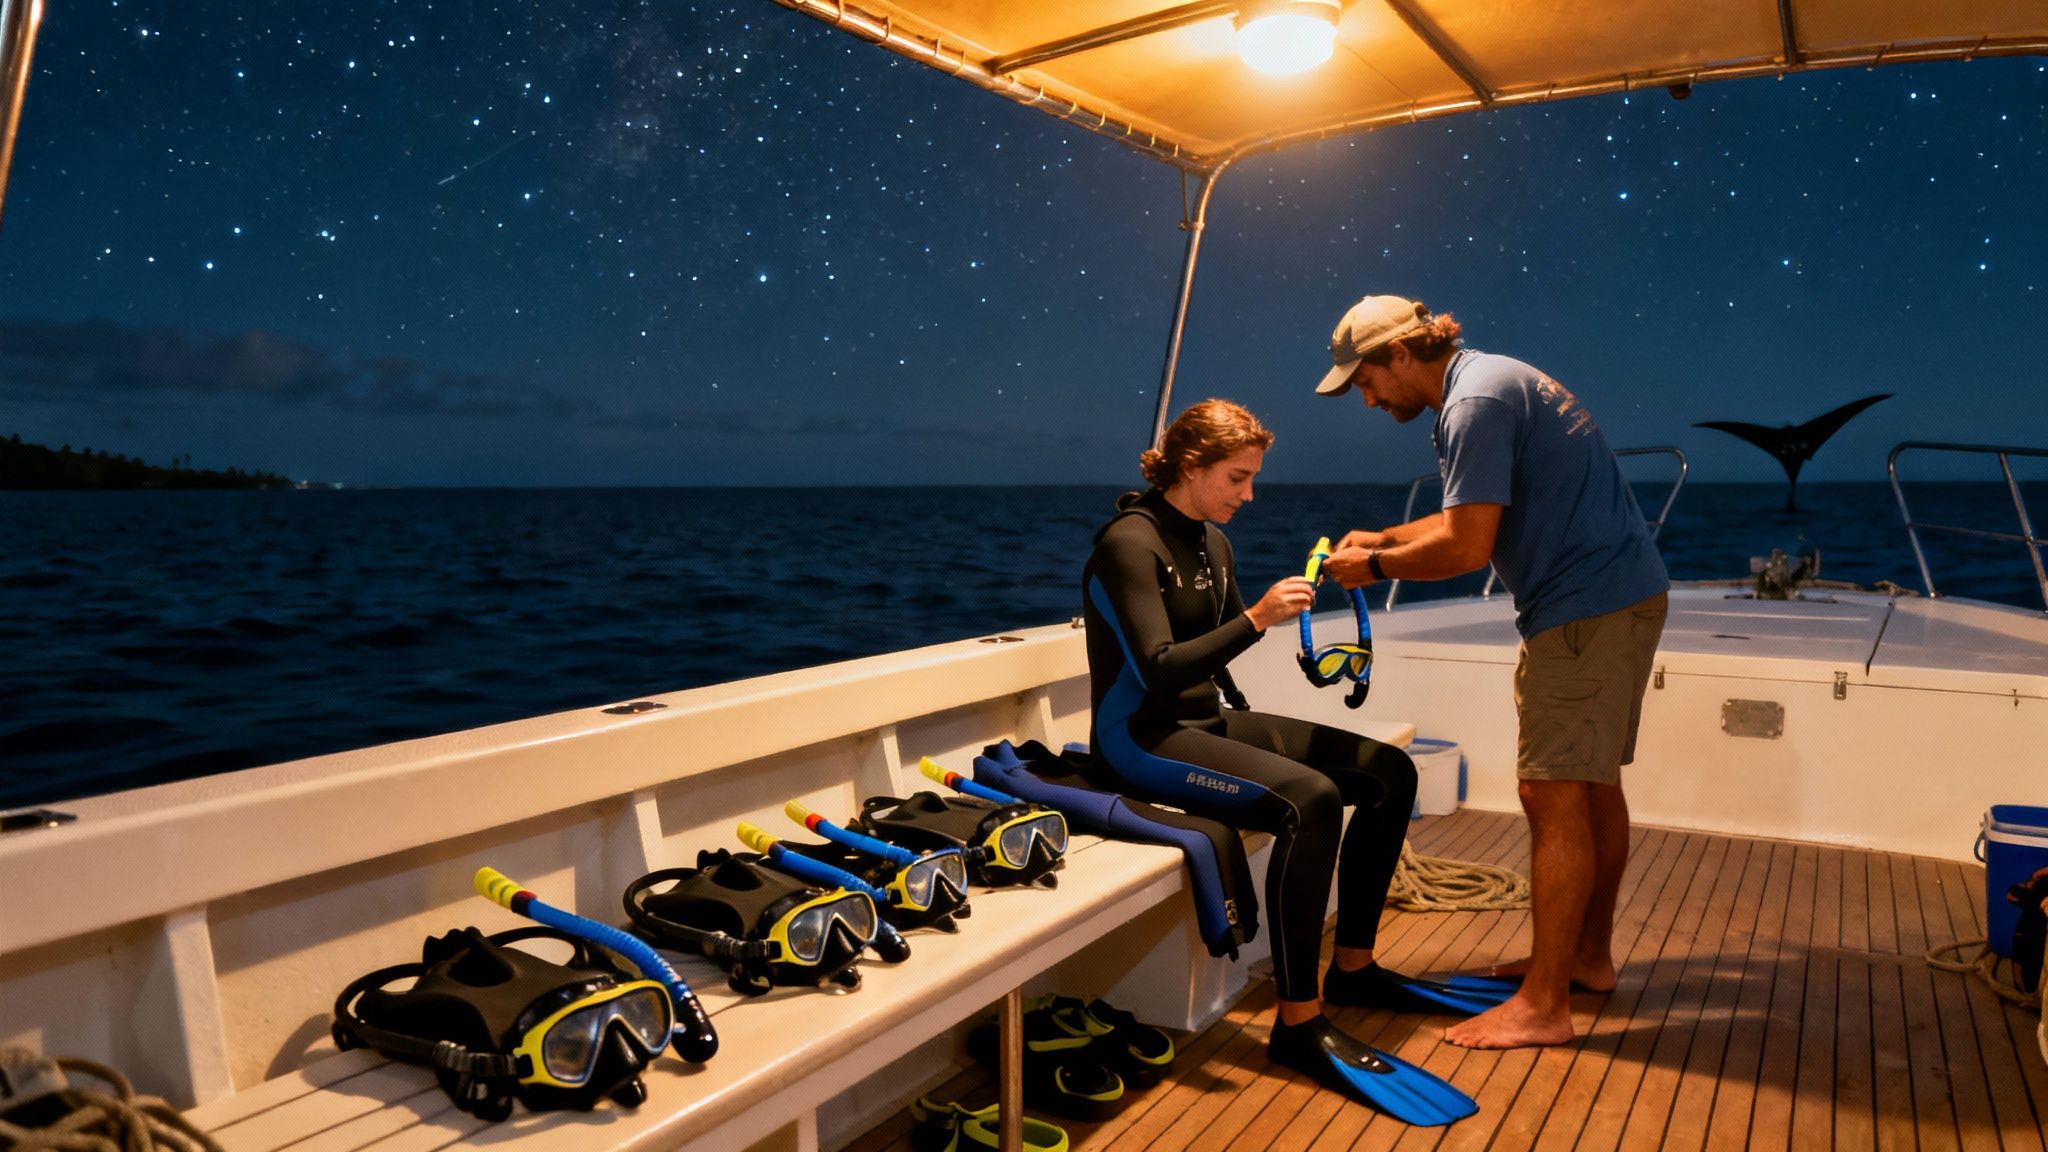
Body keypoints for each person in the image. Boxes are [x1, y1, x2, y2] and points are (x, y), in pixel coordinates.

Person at [1081, 398, 1497, 1114]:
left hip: (1204, 721)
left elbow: (1223, 650)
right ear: (1190, 467)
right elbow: (1157, 668)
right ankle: (1298, 1022)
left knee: (1389, 773)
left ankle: (1357, 970)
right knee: (1311, 800)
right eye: (1237, 479)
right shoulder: (1129, 543)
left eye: (1253, 479)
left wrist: (1300, 630)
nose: (1249, 495)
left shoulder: (1213, 541)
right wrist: (1258, 618)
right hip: (1138, 738)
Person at [1311, 295, 1670, 1050]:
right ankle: (1585, 959)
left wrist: (1371, 565)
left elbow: (1467, 549)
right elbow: (1464, 516)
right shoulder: (1492, 378)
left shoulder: (1470, 405)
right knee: (1593, 780)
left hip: (1582, 607)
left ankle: (1545, 1004)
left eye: (1366, 380)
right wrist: (1387, 533)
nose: (1367, 399)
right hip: (1622, 591)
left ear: (1403, 356)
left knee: (1552, 792)